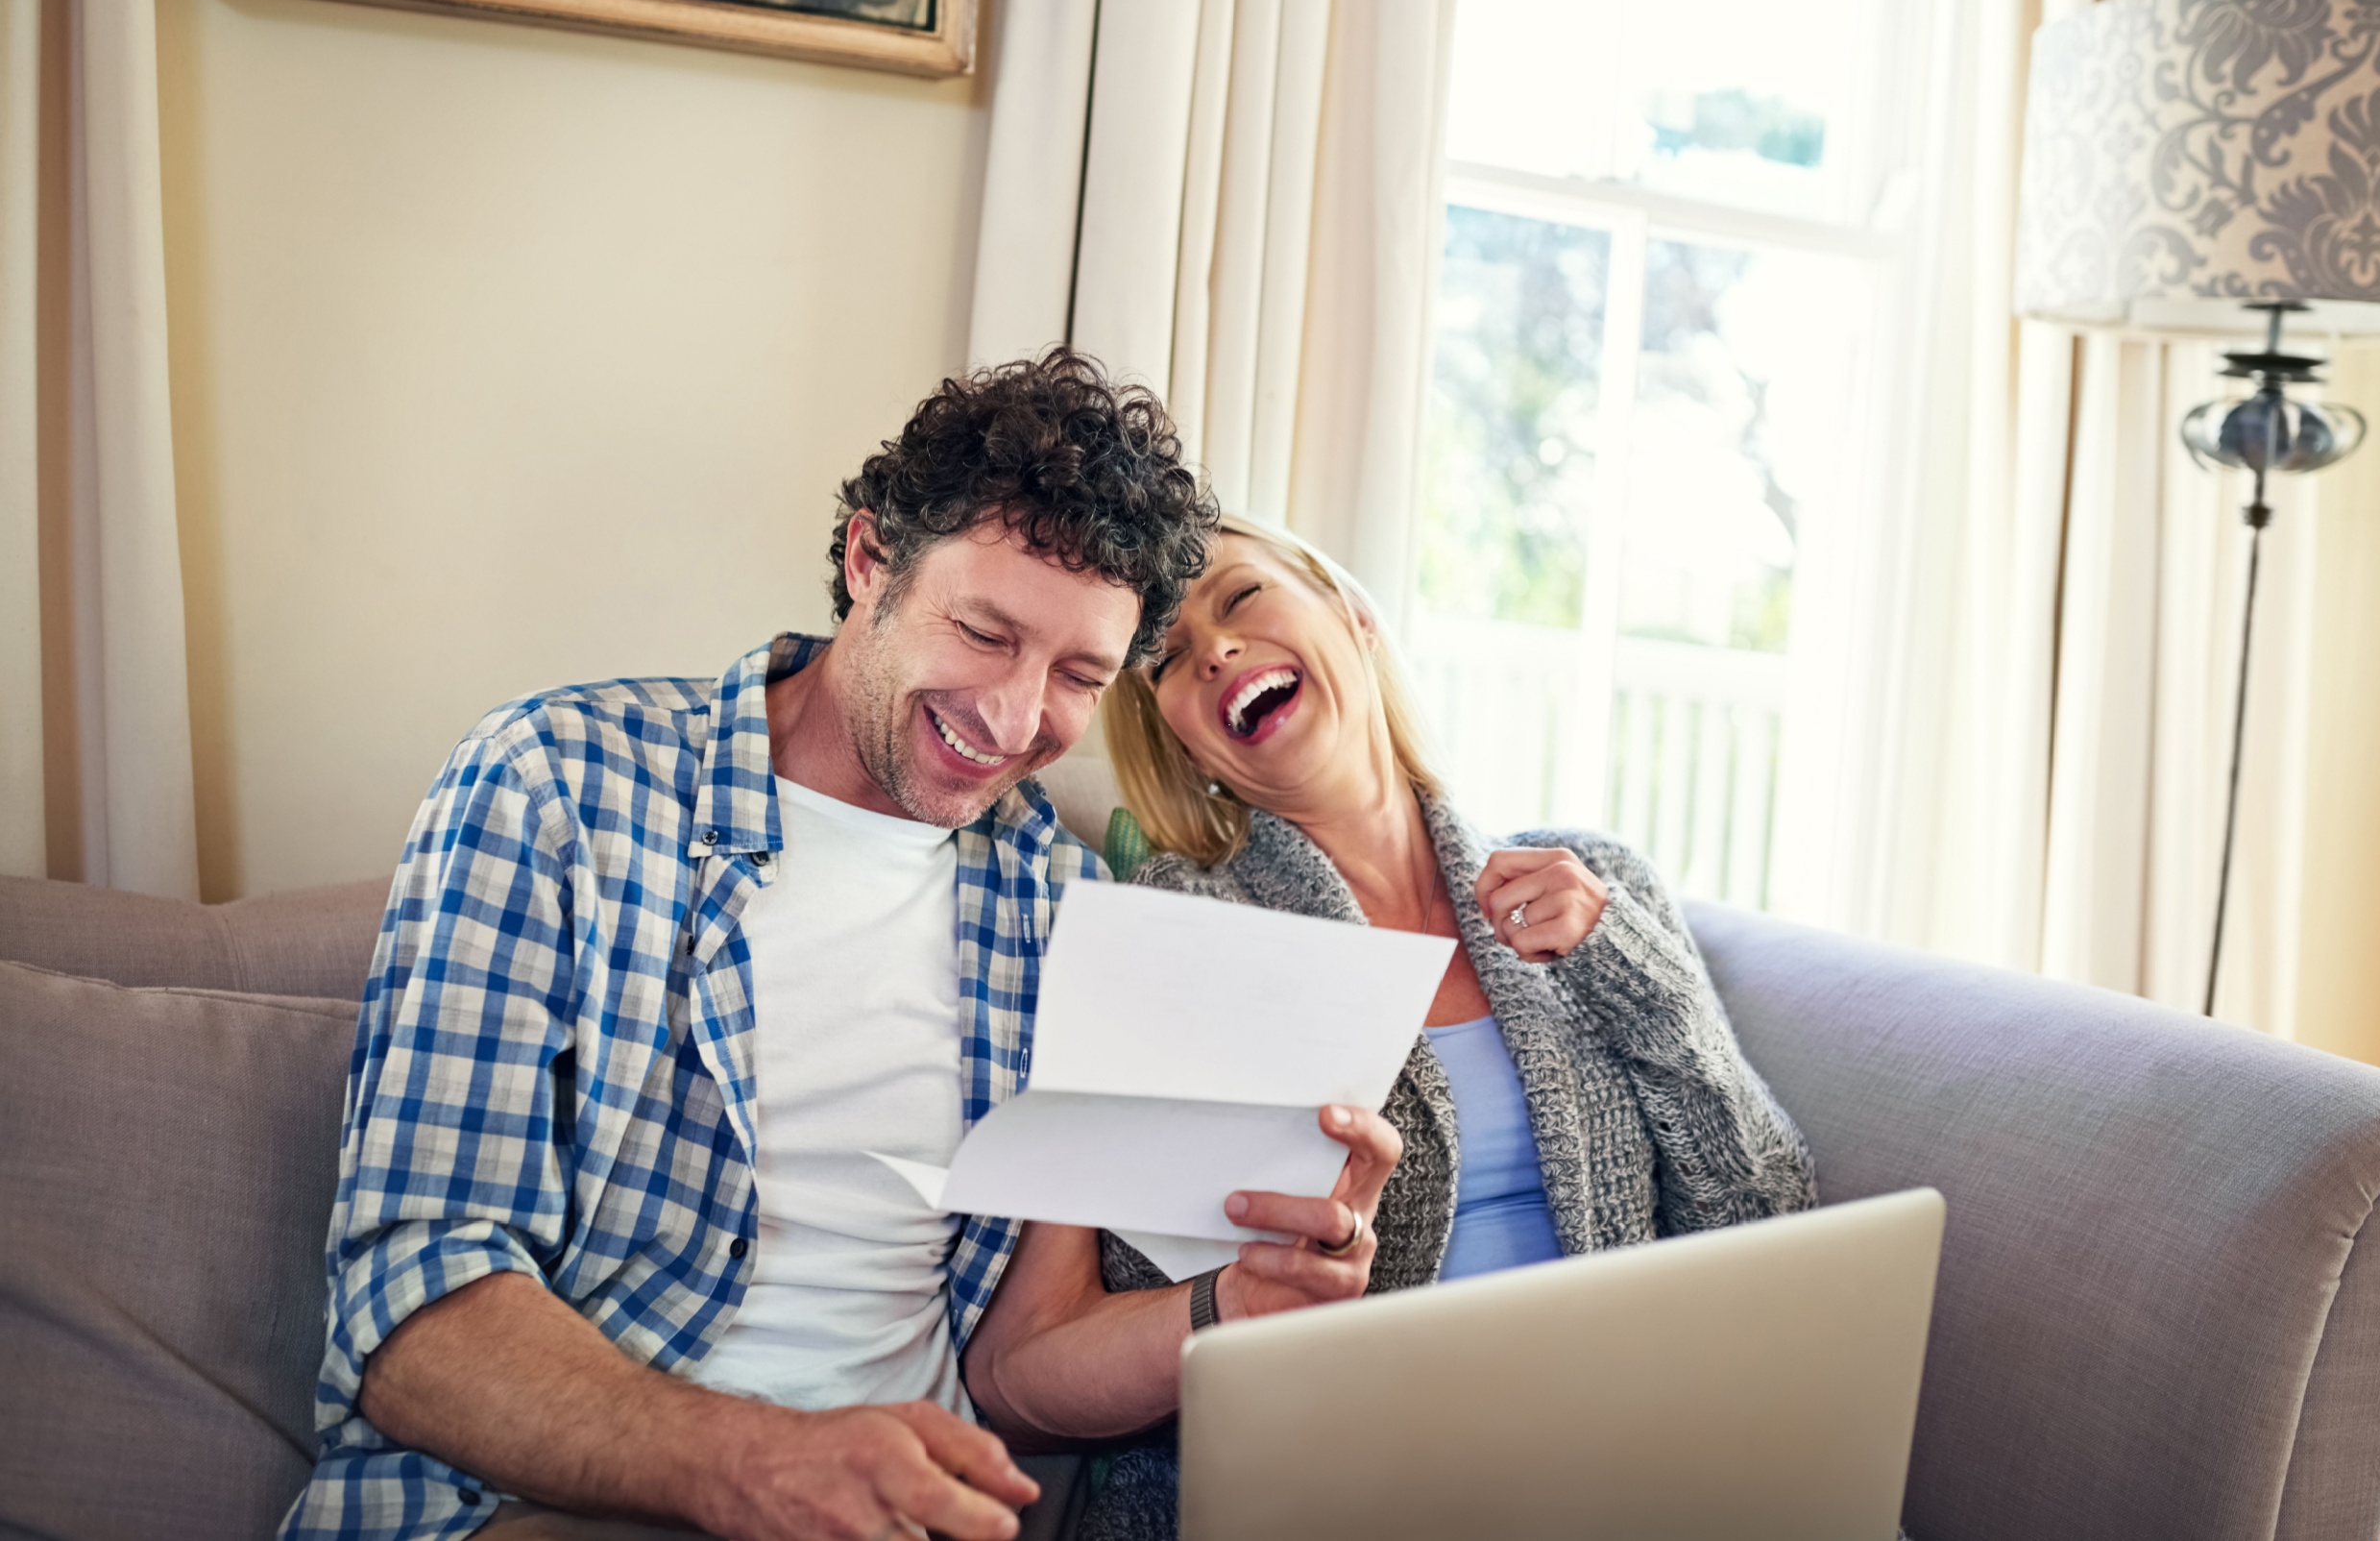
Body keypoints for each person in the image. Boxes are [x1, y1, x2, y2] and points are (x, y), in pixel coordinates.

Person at [279, 355, 1404, 1541]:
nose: (1015, 719)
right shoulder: (557, 784)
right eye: (983, 631)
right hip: (531, 1507)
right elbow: (413, 1296)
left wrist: (1230, 1308)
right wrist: (755, 1462)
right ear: (871, 559)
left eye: (1078, 675)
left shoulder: (1061, 899)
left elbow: (1016, 1369)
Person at [966, 513, 1819, 1540]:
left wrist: (1634, 974)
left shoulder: (1598, 885)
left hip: (1621, 1467)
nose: (1217, 650)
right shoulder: (1178, 933)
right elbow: (1059, 1350)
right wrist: (1245, 1290)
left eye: (1241, 598)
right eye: (1171, 658)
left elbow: (1769, 1226)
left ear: (1353, 614)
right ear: (1183, 739)